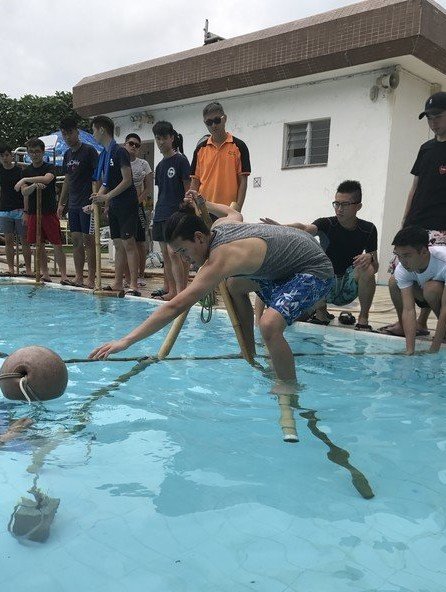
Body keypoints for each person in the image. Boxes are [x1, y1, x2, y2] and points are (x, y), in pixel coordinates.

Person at [89, 197, 334, 394]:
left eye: (184, 251)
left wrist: (126, 341)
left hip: (316, 272)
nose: (184, 259)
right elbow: (232, 212)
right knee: (234, 285)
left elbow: (174, 307)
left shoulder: (219, 260)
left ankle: (289, 386)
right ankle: (249, 351)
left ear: (198, 238)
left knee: (269, 325)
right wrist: (205, 203)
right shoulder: (218, 227)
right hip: (286, 267)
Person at [261, 180, 378, 330]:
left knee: (367, 269)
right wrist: (281, 228)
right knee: (313, 269)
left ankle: (363, 318)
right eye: (336, 203)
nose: (339, 209)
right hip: (325, 284)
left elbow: (375, 266)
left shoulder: (368, 229)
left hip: (348, 285)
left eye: (345, 204)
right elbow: (304, 228)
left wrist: (370, 257)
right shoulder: (327, 224)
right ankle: (320, 313)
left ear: (358, 206)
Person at [382, 91, 446, 336]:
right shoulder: (426, 148)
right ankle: (407, 323)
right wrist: (404, 220)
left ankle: (429, 324)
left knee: (433, 281)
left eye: (438, 116)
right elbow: (415, 187)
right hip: (417, 223)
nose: (433, 121)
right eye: (428, 117)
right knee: (397, 278)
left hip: (442, 227)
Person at [87, 115, 140, 296]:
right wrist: (96, 200)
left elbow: (127, 180)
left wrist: (107, 196)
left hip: (126, 203)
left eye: (93, 130)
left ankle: (134, 284)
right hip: (115, 203)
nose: (92, 133)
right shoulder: (105, 154)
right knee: (118, 244)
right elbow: (106, 183)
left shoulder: (120, 151)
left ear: (102, 129)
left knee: (129, 243)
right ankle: (118, 283)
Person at [14, 138, 69, 284]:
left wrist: (26, 179)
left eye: (37, 151)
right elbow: (24, 192)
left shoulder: (49, 167)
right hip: (33, 212)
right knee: (39, 244)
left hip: (48, 211)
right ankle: (45, 273)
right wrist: (32, 187)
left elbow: (47, 179)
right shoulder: (26, 170)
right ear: (28, 153)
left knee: (56, 243)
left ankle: (63, 275)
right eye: (31, 152)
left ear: (43, 152)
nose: (34, 155)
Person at [151, 121, 191, 301]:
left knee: (176, 253)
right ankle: (173, 290)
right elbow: (161, 192)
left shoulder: (181, 160)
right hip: (161, 213)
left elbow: (187, 189)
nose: (160, 142)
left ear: (171, 138)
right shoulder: (159, 166)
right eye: (157, 139)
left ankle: (182, 292)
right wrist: (155, 212)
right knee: (166, 255)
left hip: (176, 213)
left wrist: (186, 212)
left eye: (164, 138)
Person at [57, 117, 99, 289]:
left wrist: (96, 200)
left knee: (89, 242)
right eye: (64, 134)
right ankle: (79, 277)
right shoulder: (67, 154)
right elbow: (67, 180)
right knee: (75, 241)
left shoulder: (89, 151)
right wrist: (61, 203)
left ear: (77, 132)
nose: (67, 137)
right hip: (73, 204)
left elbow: (97, 177)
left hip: (87, 204)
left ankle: (91, 278)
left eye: (70, 133)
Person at [391, 226, 446, 354]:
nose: (402, 261)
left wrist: (434, 349)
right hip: (427, 295)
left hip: (436, 295)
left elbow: (445, 310)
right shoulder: (402, 268)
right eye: (398, 255)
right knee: (394, 281)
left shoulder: (443, 260)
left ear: (424, 252)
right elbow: (408, 309)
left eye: (407, 256)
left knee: (431, 289)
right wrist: (409, 350)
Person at [188, 101, 251, 211]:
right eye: (209, 122)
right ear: (205, 123)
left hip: (228, 211)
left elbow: (243, 181)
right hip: (204, 210)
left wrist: (237, 209)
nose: (213, 125)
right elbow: (195, 182)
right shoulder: (200, 149)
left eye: (217, 120)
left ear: (224, 118)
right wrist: (193, 207)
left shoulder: (239, 146)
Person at [123, 133, 153, 287]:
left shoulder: (143, 164)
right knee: (125, 242)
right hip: (121, 206)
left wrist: (137, 201)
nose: (133, 147)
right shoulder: (120, 161)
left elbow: (148, 188)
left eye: (137, 145)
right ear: (125, 144)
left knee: (140, 242)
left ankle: (140, 275)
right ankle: (127, 276)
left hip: (137, 206)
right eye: (131, 143)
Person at [0, 145, 32, 277]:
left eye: (7, 155)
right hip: (4, 210)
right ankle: (11, 268)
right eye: (1, 156)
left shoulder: (19, 171)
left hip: (19, 209)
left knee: (24, 240)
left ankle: (29, 269)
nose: (4, 158)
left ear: (11, 156)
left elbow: (25, 192)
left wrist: (26, 211)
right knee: (8, 240)